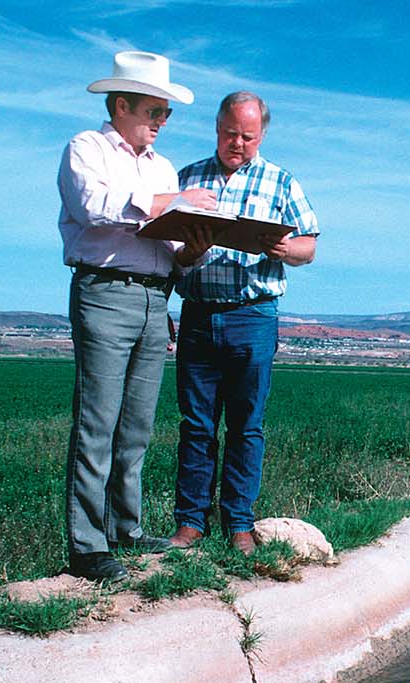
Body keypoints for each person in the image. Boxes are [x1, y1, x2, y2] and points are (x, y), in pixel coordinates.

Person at [57, 51, 217, 583]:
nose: (161, 122)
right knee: (97, 422)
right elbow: (93, 205)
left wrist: (192, 246)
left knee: (137, 427)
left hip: (155, 299)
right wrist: (170, 201)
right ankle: (87, 546)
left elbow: (169, 245)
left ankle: (126, 529)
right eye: (155, 111)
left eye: (166, 114)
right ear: (121, 104)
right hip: (105, 293)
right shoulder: (87, 148)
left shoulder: (161, 168)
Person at [167, 91, 320, 556]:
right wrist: (188, 252)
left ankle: (239, 524)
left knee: (246, 426)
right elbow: (168, 251)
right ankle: (191, 524)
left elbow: (308, 247)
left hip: (253, 317)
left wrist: (282, 249)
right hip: (198, 315)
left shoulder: (281, 182)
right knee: (196, 425)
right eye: (231, 133)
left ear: (262, 135)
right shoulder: (188, 178)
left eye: (248, 136)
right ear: (217, 128)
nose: (238, 143)